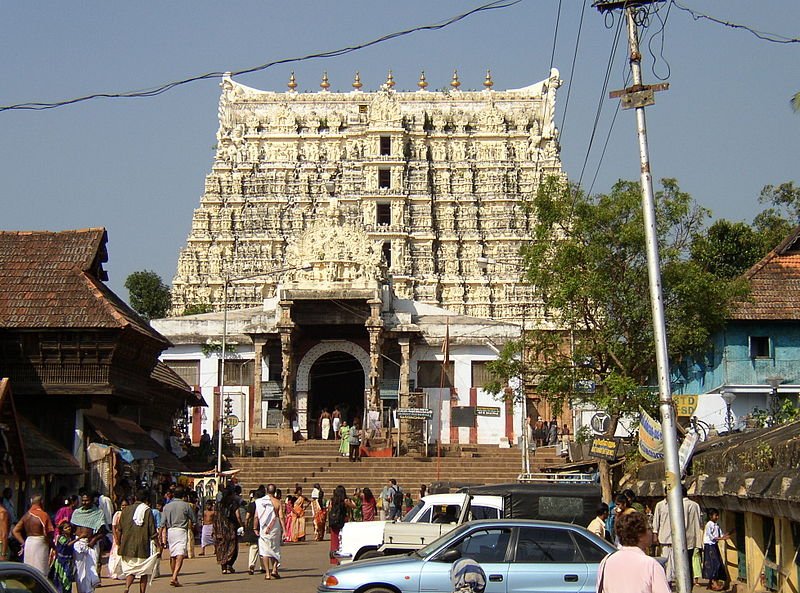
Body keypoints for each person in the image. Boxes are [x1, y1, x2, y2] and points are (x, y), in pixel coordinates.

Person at [597, 511, 670, 593]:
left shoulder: (606, 561)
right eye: (649, 529)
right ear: (640, 535)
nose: (651, 532)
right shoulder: (650, 564)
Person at [652, 487, 703, 586]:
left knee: (678, 566)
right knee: (679, 565)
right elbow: (700, 523)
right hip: (679, 540)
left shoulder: (678, 505)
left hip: (679, 540)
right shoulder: (662, 505)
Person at [118, 488, 159, 593]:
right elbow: (152, 531)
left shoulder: (125, 510)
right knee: (144, 570)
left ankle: (127, 587)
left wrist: (119, 543)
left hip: (126, 545)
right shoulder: (147, 510)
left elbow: (119, 529)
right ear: (146, 499)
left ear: (135, 497)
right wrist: (158, 545)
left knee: (131, 570)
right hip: (142, 546)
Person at [71, 493, 106, 593]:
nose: (85, 502)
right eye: (83, 500)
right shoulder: (77, 513)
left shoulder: (98, 513)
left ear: (92, 500)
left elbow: (103, 532)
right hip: (79, 544)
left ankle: (89, 591)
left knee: (92, 570)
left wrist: (93, 540)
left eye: (87, 500)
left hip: (92, 544)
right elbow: (72, 528)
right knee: (80, 571)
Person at [12, 494, 54, 575]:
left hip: (29, 543)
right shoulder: (43, 515)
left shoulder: (26, 515)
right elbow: (48, 533)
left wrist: (23, 543)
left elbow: (15, 531)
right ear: (41, 502)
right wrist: (53, 546)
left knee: (29, 569)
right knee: (41, 570)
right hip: (40, 543)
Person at [161, 486, 194, 587]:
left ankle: (174, 576)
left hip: (170, 531)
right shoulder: (186, 506)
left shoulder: (167, 506)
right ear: (183, 496)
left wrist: (160, 536)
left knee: (173, 555)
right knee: (180, 554)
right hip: (181, 530)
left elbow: (162, 523)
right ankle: (174, 576)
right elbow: (193, 518)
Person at [255, 485, 281, 579]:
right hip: (275, 527)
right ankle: (274, 569)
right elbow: (281, 517)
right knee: (275, 549)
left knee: (265, 550)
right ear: (275, 492)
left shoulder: (260, 502)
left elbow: (256, 516)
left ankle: (267, 573)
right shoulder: (277, 502)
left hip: (264, 527)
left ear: (266, 491)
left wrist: (255, 528)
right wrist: (285, 530)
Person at [214, 485, 241, 574]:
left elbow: (215, 517)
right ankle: (229, 564)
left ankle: (223, 567)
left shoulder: (217, 505)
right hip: (230, 528)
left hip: (220, 529)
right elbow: (238, 515)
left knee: (221, 547)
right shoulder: (233, 503)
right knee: (232, 546)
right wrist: (241, 524)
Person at [327, 485, 356, 565]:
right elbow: (354, 506)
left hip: (334, 522)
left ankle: (334, 559)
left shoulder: (332, 500)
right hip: (343, 522)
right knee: (342, 541)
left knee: (335, 541)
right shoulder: (345, 501)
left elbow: (329, 509)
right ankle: (342, 559)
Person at [702, 509, 730, 591]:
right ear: (711, 516)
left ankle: (714, 581)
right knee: (714, 564)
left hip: (714, 545)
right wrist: (722, 538)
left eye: (717, 515)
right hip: (709, 545)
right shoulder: (709, 525)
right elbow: (711, 537)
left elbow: (720, 534)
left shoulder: (716, 525)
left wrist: (725, 535)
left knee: (717, 563)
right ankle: (713, 582)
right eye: (715, 515)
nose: (717, 517)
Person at [50, 519, 77, 593]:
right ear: (62, 530)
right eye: (66, 528)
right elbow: (67, 544)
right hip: (61, 562)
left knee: (68, 579)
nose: (68, 528)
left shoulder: (71, 537)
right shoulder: (61, 538)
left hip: (68, 562)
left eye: (69, 527)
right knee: (60, 579)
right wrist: (79, 538)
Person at [107, 497, 129, 580]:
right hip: (117, 537)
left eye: (126, 505)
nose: (124, 507)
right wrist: (116, 539)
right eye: (123, 505)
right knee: (116, 554)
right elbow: (113, 527)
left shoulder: (130, 515)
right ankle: (114, 572)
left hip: (126, 538)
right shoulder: (117, 514)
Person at [244, 489, 262, 575]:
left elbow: (247, 517)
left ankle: (251, 565)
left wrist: (246, 525)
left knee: (253, 547)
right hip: (262, 526)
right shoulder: (264, 504)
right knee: (262, 547)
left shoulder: (252, 505)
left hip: (253, 526)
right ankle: (263, 566)